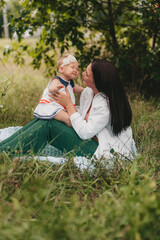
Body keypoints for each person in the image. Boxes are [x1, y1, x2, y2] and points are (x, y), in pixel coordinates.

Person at [0, 59, 136, 164]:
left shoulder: (105, 105)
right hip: (87, 140)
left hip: (99, 151)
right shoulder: (89, 93)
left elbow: (85, 132)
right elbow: (79, 114)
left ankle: (5, 153)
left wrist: (68, 105)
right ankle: (3, 147)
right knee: (48, 116)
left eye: (87, 73)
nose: (82, 73)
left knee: (49, 125)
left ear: (97, 81)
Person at [34, 54, 84, 126]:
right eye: (72, 67)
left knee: (76, 115)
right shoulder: (57, 80)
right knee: (69, 119)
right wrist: (55, 89)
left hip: (63, 107)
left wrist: (85, 90)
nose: (75, 70)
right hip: (53, 106)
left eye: (77, 69)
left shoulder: (70, 83)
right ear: (61, 69)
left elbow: (78, 88)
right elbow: (50, 89)